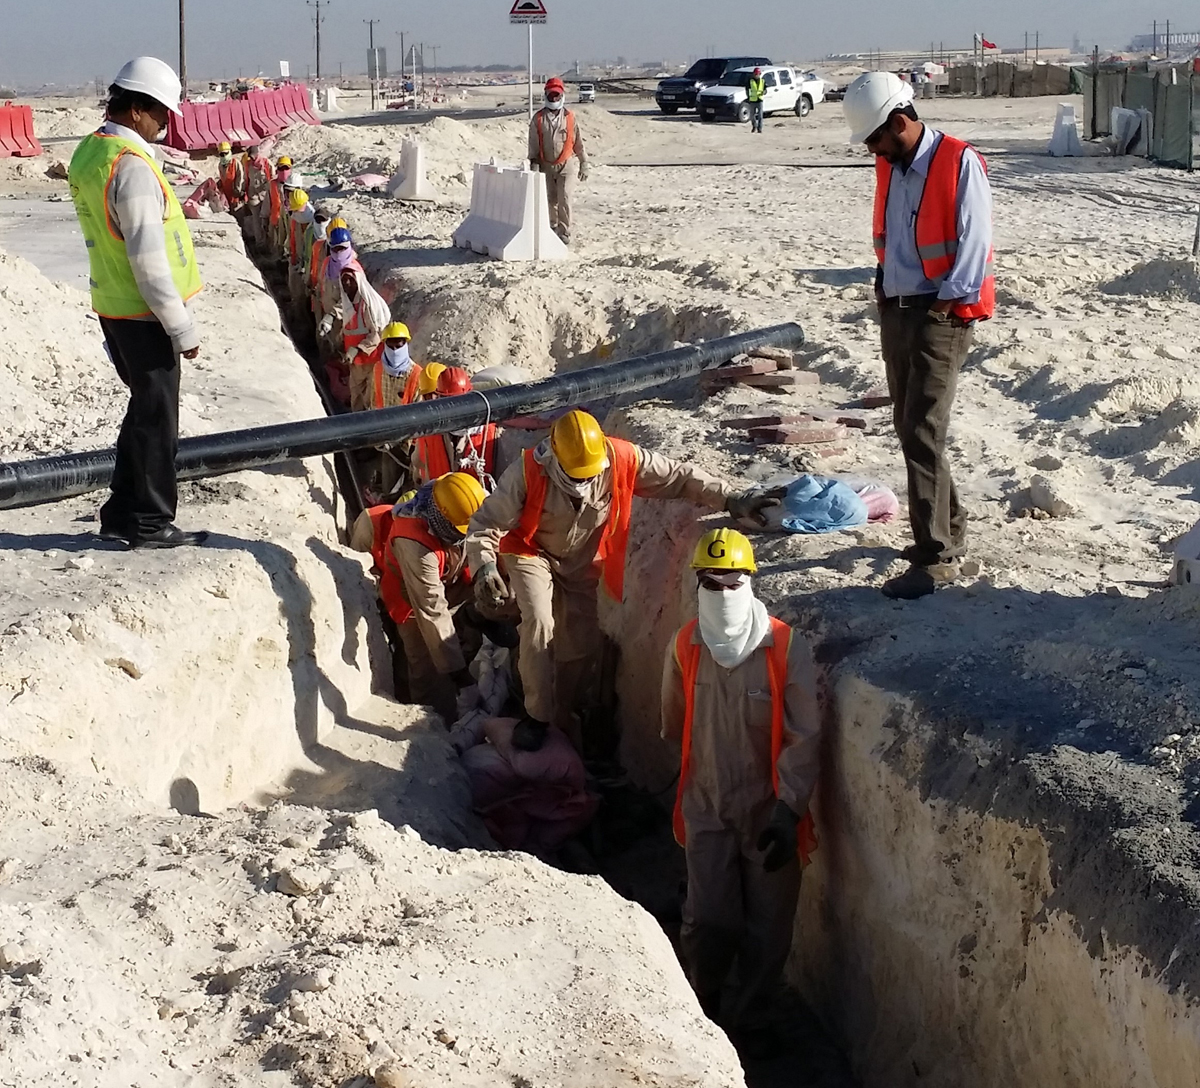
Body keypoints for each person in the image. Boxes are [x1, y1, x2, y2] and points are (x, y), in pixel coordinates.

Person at [466, 409, 783, 753]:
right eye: (576, 476)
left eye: (591, 475)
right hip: (531, 551)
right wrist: (485, 566)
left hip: (581, 563)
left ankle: (562, 711)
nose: (585, 482)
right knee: (540, 622)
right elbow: (485, 524)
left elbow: (678, 477)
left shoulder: (621, 458)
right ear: (554, 456)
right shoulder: (527, 472)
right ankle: (536, 716)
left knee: (580, 645)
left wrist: (730, 497)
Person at [661, 528, 820, 1057]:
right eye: (713, 583)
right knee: (708, 920)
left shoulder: (785, 647)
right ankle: (701, 1011)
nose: (724, 594)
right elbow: (674, 723)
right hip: (706, 806)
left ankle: (751, 1020)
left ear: (751, 582)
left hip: (767, 811)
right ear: (698, 585)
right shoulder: (685, 646)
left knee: (769, 930)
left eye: (734, 583)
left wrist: (788, 810)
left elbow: (804, 736)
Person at [843, 71, 994, 600]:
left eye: (875, 139)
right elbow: (892, 235)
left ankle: (937, 557)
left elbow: (975, 242)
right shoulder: (891, 165)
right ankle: (949, 529)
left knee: (922, 430)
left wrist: (946, 303)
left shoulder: (958, 161)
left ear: (899, 121)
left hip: (939, 315)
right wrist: (884, 286)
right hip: (898, 308)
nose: (872, 151)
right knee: (909, 428)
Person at [68, 56, 207, 549]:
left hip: (115, 305)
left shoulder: (92, 151)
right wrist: (181, 327)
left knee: (144, 411)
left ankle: (121, 514)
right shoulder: (132, 168)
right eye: (161, 114)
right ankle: (149, 521)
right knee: (158, 420)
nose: (165, 124)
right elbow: (149, 262)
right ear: (136, 110)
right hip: (144, 312)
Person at [350, 472, 488, 722]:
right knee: (425, 662)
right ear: (441, 517)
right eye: (460, 530)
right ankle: (433, 723)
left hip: (446, 578)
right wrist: (462, 678)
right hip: (405, 592)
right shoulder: (414, 542)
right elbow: (431, 608)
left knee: (460, 639)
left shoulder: (462, 503)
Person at [327, 226, 391, 411]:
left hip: (371, 361)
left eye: (350, 280)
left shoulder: (367, 306)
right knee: (356, 397)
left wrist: (357, 349)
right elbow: (348, 324)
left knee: (370, 398)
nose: (347, 284)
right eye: (344, 280)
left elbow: (376, 334)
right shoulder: (350, 303)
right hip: (355, 363)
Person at [411, 367, 498, 490]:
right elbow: (418, 462)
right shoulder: (429, 430)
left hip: (475, 498)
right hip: (438, 496)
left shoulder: (488, 430)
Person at [528, 77, 588, 244]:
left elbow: (578, 142)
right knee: (550, 199)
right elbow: (533, 142)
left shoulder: (570, 117)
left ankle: (564, 231)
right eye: (551, 95)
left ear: (562, 96)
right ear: (546, 95)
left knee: (565, 197)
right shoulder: (538, 119)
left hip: (566, 165)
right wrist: (534, 162)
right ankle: (552, 227)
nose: (554, 98)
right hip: (546, 165)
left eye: (557, 95)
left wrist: (584, 162)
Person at [243, 144, 271, 247]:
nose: (252, 158)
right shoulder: (248, 164)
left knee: (266, 219)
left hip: (265, 195)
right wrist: (244, 193)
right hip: (253, 195)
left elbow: (272, 178)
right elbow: (246, 179)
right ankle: (259, 243)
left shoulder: (266, 163)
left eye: (253, 156)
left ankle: (269, 242)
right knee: (256, 219)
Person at [266, 156, 293, 259]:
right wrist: (264, 217)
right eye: (281, 168)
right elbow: (267, 202)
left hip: (290, 221)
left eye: (286, 168)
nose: (284, 171)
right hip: (275, 219)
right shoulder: (272, 184)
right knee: (277, 243)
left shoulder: (294, 185)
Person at [216, 141, 245, 210]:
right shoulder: (220, 165)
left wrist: (238, 189)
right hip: (226, 194)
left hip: (235, 194)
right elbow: (223, 178)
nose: (224, 156)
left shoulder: (235, 163)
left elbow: (240, 177)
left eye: (226, 153)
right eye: (222, 154)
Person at [747, 68, 766, 134]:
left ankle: (759, 129)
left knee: (760, 115)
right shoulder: (750, 81)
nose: (756, 75)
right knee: (752, 115)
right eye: (755, 74)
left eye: (758, 74)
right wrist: (748, 97)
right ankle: (754, 126)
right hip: (752, 100)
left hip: (760, 99)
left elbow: (765, 89)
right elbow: (747, 90)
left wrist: (764, 92)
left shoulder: (762, 81)